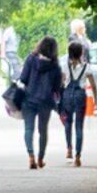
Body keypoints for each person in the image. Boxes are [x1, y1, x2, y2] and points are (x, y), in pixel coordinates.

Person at [15, 36, 62, 168]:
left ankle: (31, 156)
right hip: (46, 102)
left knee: (28, 128)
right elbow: (56, 88)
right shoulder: (55, 66)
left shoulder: (31, 59)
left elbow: (23, 79)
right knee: (43, 130)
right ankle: (41, 158)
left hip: (29, 99)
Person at [58, 42, 93, 165]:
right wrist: (96, 98)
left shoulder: (64, 66)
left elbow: (61, 82)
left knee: (68, 122)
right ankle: (78, 156)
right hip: (80, 95)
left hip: (67, 95)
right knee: (79, 126)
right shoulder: (86, 67)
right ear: (81, 53)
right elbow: (92, 84)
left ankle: (69, 148)